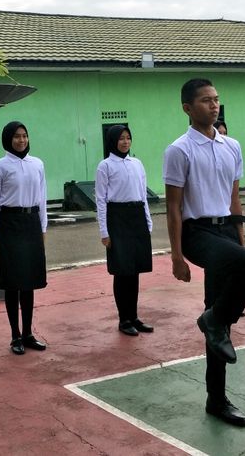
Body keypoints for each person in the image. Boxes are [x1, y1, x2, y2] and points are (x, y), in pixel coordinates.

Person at [164, 78, 245, 427]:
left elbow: (234, 197)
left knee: (219, 321)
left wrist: (240, 239)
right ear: (187, 108)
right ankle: (213, 321)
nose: (214, 105)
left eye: (216, 99)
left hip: (226, 230)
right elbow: (174, 207)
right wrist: (177, 255)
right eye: (206, 100)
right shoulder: (179, 150)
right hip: (198, 232)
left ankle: (217, 399)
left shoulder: (231, 146)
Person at [0, 121, 48, 355]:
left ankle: (28, 333)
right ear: (8, 139)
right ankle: (15, 336)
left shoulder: (37, 164)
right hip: (9, 226)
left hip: (31, 224)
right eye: (16, 137)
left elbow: (42, 199)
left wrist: (43, 229)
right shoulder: (0, 167)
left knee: (29, 283)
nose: (21, 140)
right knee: (13, 284)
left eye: (25, 136)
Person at [95, 125, 154, 336]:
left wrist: (148, 222)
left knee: (135, 271)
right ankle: (123, 319)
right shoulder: (105, 166)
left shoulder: (137, 164)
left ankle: (134, 316)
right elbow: (101, 200)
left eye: (128, 138)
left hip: (137, 217)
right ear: (112, 141)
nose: (125, 142)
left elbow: (143, 195)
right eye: (121, 138)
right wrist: (104, 231)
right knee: (122, 272)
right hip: (117, 219)